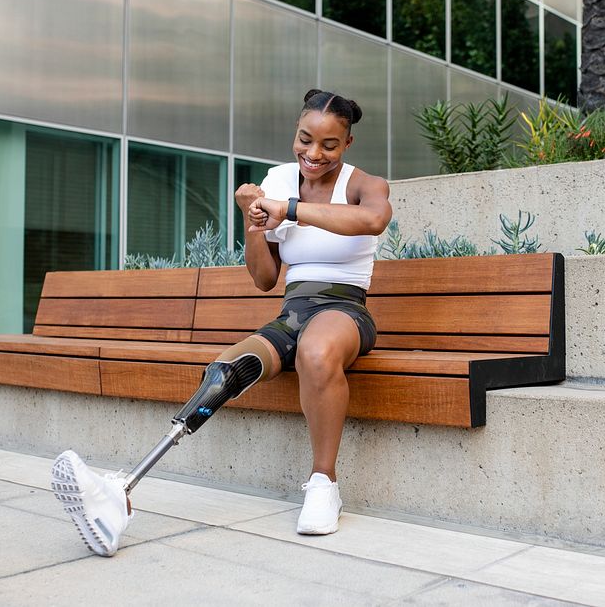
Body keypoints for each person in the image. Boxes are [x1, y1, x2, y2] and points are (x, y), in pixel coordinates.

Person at [51, 89, 391, 556]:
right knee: (225, 370)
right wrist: (252, 221)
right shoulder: (276, 180)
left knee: (316, 351)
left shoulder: (363, 184)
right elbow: (265, 278)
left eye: (329, 145)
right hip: (292, 313)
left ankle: (322, 484)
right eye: (305, 139)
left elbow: (372, 221)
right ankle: (120, 491)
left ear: (347, 144)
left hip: (344, 310)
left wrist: (288, 209)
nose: (314, 154)